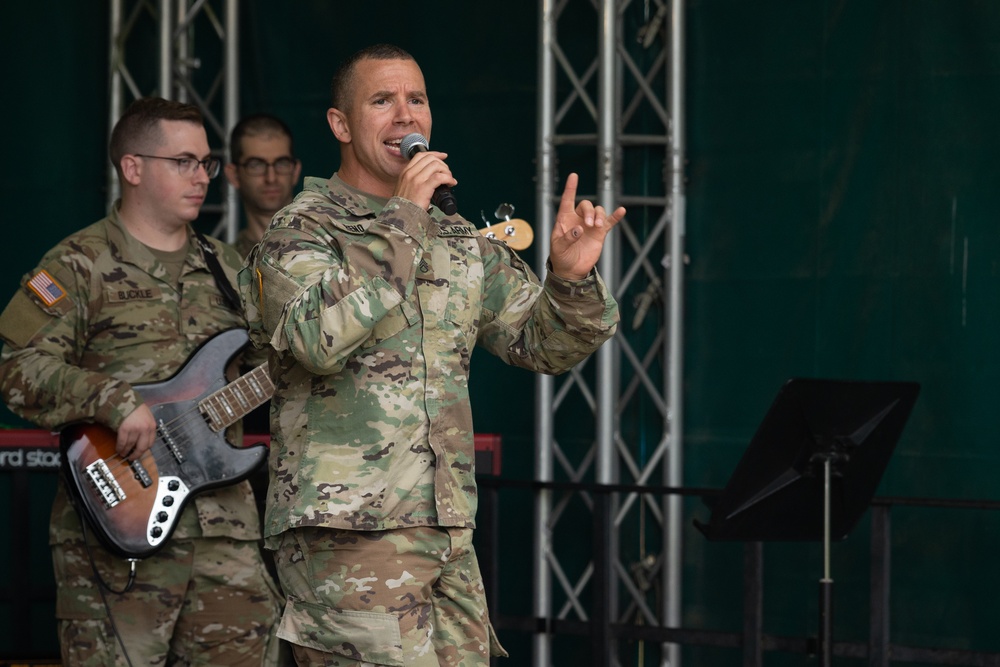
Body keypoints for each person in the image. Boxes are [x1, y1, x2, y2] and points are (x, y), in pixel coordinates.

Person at [238, 43, 625, 666]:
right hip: (347, 536)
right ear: (340, 124)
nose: (404, 116)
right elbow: (317, 339)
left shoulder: (456, 239)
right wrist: (403, 221)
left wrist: (569, 278)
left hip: (447, 532)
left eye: (415, 99)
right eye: (382, 101)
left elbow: (541, 343)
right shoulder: (301, 230)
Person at [0, 97, 282, 666]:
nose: (202, 176)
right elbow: (15, 367)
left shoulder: (229, 268)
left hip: (225, 535)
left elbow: (266, 370)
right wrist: (112, 401)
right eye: (183, 161)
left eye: (205, 163)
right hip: (116, 535)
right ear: (133, 167)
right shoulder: (78, 264)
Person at [224, 113, 302, 258]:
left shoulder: (327, 253)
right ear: (234, 175)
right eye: (256, 165)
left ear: (295, 171)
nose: (271, 178)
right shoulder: (223, 265)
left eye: (281, 163)